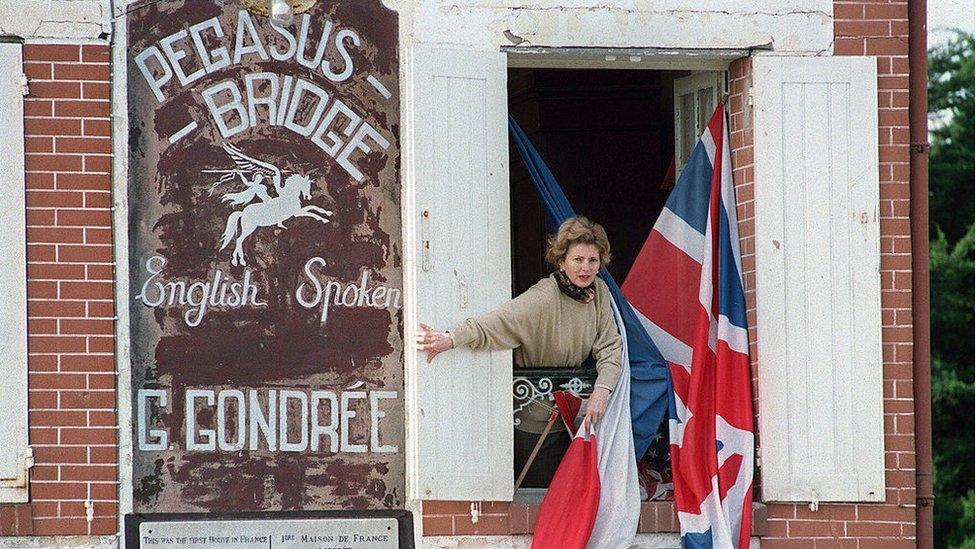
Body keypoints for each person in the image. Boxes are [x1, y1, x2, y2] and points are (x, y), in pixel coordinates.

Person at [415, 215, 622, 487]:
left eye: (592, 261)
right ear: (561, 261)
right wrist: (450, 339)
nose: (585, 268)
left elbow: (610, 346)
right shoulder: (544, 296)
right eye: (577, 260)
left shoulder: (600, 292)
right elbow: (498, 323)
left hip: (571, 421)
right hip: (534, 426)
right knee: (539, 499)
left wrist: (602, 390)